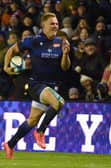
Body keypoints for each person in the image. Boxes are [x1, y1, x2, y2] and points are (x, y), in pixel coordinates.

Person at [3, 12, 71, 159]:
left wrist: (65, 54)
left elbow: (65, 67)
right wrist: (5, 66)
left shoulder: (61, 42)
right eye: (52, 23)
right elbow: (12, 50)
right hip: (36, 85)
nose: (55, 26)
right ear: (44, 25)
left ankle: (10, 143)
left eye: (57, 24)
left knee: (32, 120)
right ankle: (40, 132)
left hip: (50, 87)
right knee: (59, 102)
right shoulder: (33, 41)